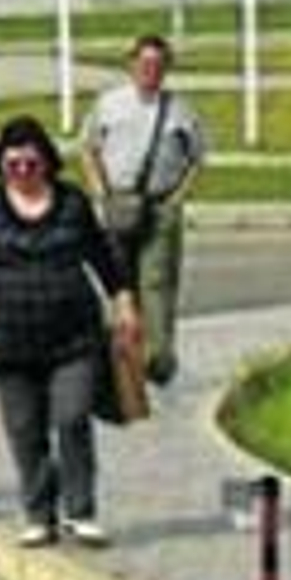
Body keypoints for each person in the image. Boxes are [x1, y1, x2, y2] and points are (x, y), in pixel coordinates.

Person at [0, 114, 138, 547]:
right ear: (0, 165)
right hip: (9, 340)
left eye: (30, 164)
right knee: (25, 429)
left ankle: (81, 510)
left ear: (47, 163)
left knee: (71, 418)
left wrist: (123, 300)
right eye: (12, 165)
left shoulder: (72, 203)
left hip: (74, 337)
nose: (22, 173)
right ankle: (39, 514)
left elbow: (104, 259)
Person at [81, 33, 207, 386]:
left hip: (160, 205)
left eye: (158, 64)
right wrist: (101, 194)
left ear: (166, 69)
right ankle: (127, 358)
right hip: (118, 204)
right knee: (122, 285)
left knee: (157, 282)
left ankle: (161, 358)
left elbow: (197, 158)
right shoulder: (109, 104)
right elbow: (89, 149)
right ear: (131, 65)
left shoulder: (180, 110)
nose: (150, 70)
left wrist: (177, 198)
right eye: (144, 63)